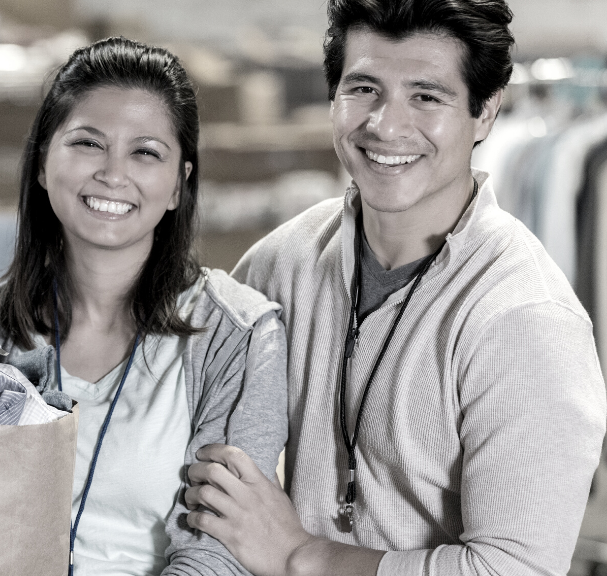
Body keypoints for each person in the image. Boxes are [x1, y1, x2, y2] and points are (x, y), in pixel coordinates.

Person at [182, 1, 607, 575]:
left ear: (485, 114)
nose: (384, 124)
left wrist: (302, 556)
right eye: (363, 89)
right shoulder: (279, 265)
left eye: (427, 96)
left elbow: (513, 570)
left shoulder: (525, 320)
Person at [0, 37, 287, 576]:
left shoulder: (238, 336)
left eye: (145, 152)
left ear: (177, 186)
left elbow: (221, 549)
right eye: (88, 143)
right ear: (43, 163)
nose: (113, 174)